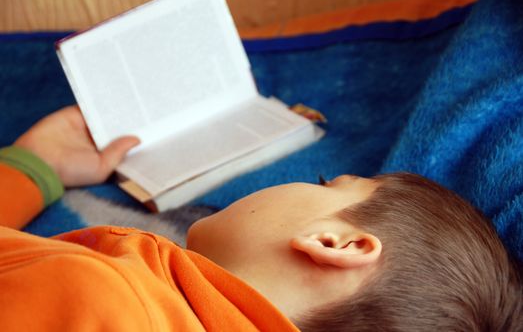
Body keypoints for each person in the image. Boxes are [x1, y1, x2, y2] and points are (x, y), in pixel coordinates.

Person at [0, 106, 521, 331]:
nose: (307, 183)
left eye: (327, 185)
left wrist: (27, 169)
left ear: (336, 243)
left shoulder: (102, 298)